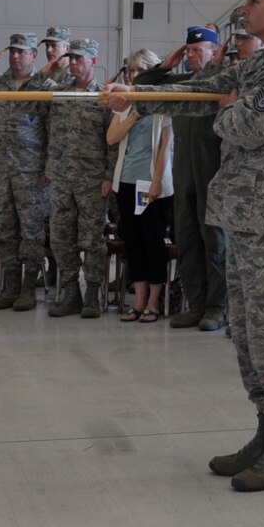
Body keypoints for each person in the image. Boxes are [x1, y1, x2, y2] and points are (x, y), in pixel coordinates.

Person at [112, 0, 264, 492]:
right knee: (247, 332)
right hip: (248, 212)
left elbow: (245, 126)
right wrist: (137, 95)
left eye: (254, 1)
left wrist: (228, 108)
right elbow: (206, 89)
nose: (244, 9)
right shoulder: (263, 61)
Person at [129, 27, 229, 330]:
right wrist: (166, 65)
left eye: (198, 50)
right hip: (184, 170)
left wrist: (214, 66)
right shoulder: (183, 83)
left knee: (214, 239)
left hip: (212, 169)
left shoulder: (220, 81)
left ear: (214, 52)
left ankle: (216, 307)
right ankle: (196, 305)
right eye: (189, 50)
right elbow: (141, 85)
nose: (192, 55)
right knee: (187, 238)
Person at [0, 33, 55, 311]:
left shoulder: (45, 86)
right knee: (4, 230)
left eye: (22, 52)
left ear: (33, 56)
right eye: (12, 51)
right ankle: (10, 287)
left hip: (31, 171)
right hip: (0, 169)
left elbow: (53, 131)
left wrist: (49, 168)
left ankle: (28, 289)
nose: (15, 56)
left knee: (32, 231)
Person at [43, 40, 113, 318]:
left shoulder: (103, 96)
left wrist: (109, 176)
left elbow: (112, 141)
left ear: (93, 61)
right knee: (61, 238)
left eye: (78, 58)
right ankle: (71, 292)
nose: (72, 63)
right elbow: (46, 129)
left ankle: (92, 294)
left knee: (92, 239)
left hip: (92, 180)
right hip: (61, 178)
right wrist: (49, 168)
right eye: (70, 58)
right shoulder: (59, 94)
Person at [108, 51, 173, 323]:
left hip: (152, 185)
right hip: (125, 182)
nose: (133, 76)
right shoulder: (125, 104)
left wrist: (157, 181)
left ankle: (154, 302)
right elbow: (112, 137)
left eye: (139, 71)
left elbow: (165, 148)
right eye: (131, 72)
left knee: (152, 242)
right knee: (133, 243)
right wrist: (134, 113)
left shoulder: (163, 105)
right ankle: (138, 300)